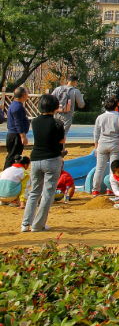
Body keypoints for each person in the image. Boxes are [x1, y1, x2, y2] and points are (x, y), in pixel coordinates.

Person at [21, 93, 66, 233]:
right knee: (48, 193)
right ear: (55, 107)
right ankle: (38, 224)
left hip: (35, 159)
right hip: (52, 159)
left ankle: (25, 224)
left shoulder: (34, 121)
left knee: (34, 192)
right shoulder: (58, 123)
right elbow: (61, 141)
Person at [91, 95, 119, 196]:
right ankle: (110, 188)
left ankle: (95, 189)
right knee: (113, 169)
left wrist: (96, 146)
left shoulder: (100, 117)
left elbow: (96, 133)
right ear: (116, 106)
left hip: (102, 145)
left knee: (99, 168)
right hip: (115, 145)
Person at [4, 87, 30, 170]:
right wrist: (23, 136)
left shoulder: (15, 105)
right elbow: (18, 123)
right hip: (15, 135)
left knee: (14, 156)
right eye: (26, 93)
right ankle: (6, 174)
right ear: (23, 95)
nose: (27, 95)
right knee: (13, 157)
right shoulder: (17, 107)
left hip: (14, 134)